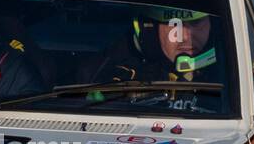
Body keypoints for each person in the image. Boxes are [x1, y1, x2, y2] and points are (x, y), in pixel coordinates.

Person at [89, 6, 221, 85]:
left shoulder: (234, 67)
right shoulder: (111, 74)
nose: (185, 36)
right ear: (149, 28)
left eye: (196, 22)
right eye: (173, 24)